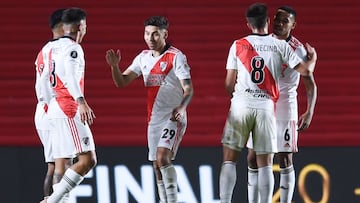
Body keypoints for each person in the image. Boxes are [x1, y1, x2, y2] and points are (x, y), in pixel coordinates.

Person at [219, 3, 317, 203]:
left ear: (293, 25)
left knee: (284, 158)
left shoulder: (296, 49)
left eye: (285, 21)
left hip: (285, 107)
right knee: (253, 157)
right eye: (278, 19)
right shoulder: (269, 42)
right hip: (265, 105)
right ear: (270, 21)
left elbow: (310, 84)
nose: (280, 24)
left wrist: (309, 111)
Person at [105, 15, 194, 203]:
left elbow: (188, 89)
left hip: (174, 116)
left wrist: (182, 107)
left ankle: (172, 201)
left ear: (165, 35)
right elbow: (122, 82)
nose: (150, 38)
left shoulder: (176, 56)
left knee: (162, 157)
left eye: (155, 34)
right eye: (147, 34)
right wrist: (114, 67)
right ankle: (165, 200)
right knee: (156, 165)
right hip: (154, 119)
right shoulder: (142, 58)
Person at [40, 7, 97, 203]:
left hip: (55, 106)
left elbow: (42, 80)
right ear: (80, 27)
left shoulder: (49, 49)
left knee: (62, 162)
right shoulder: (73, 48)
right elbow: (70, 76)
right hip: (68, 107)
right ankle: (53, 200)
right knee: (88, 160)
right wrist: (81, 102)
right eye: (85, 26)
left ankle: (56, 200)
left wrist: (47, 106)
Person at [34, 8, 71, 201]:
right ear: (63, 26)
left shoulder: (44, 50)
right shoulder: (59, 49)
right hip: (51, 109)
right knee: (60, 163)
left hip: (45, 109)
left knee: (54, 164)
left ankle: (49, 200)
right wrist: (52, 108)